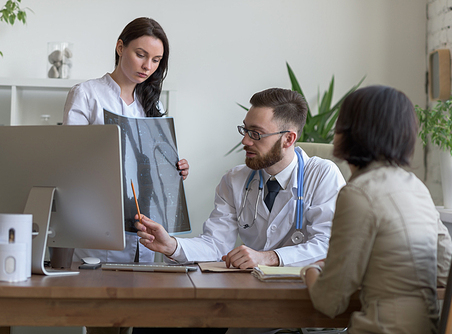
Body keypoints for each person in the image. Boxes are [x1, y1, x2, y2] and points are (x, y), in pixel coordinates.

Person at [136, 87, 345, 270]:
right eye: (245, 130)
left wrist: (269, 257)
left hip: (303, 292)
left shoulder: (322, 175)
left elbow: (328, 244)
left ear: (288, 138)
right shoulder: (234, 179)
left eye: (256, 133)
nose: (245, 140)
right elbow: (216, 244)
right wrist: (171, 245)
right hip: (250, 289)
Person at [301, 85, 452, 334]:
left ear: (351, 131)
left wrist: (311, 269)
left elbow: (329, 301)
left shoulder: (358, 193)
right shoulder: (416, 188)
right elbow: (445, 270)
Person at [63, 17, 189, 266]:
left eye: (156, 60)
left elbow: (157, 164)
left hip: (144, 230)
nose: (147, 66)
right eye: (141, 54)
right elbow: (70, 160)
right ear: (121, 47)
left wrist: (176, 169)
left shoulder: (153, 104)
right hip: (98, 225)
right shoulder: (87, 94)